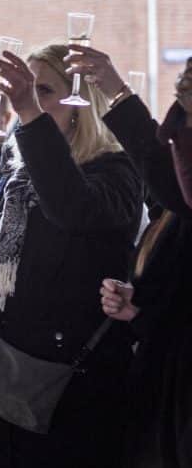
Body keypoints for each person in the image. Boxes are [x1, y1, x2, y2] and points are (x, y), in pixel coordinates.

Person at [0, 44, 142, 468]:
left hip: (68, 383)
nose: (33, 100)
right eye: (27, 90)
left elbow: (71, 207)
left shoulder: (116, 171)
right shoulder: (17, 176)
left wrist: (27, 112)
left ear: (80, 103)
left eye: (45, 90)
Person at [66, 46, 192, 468]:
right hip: (162, 398)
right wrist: (136, 306)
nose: (177, 143)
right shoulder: (174, 211)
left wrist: (116, 93)